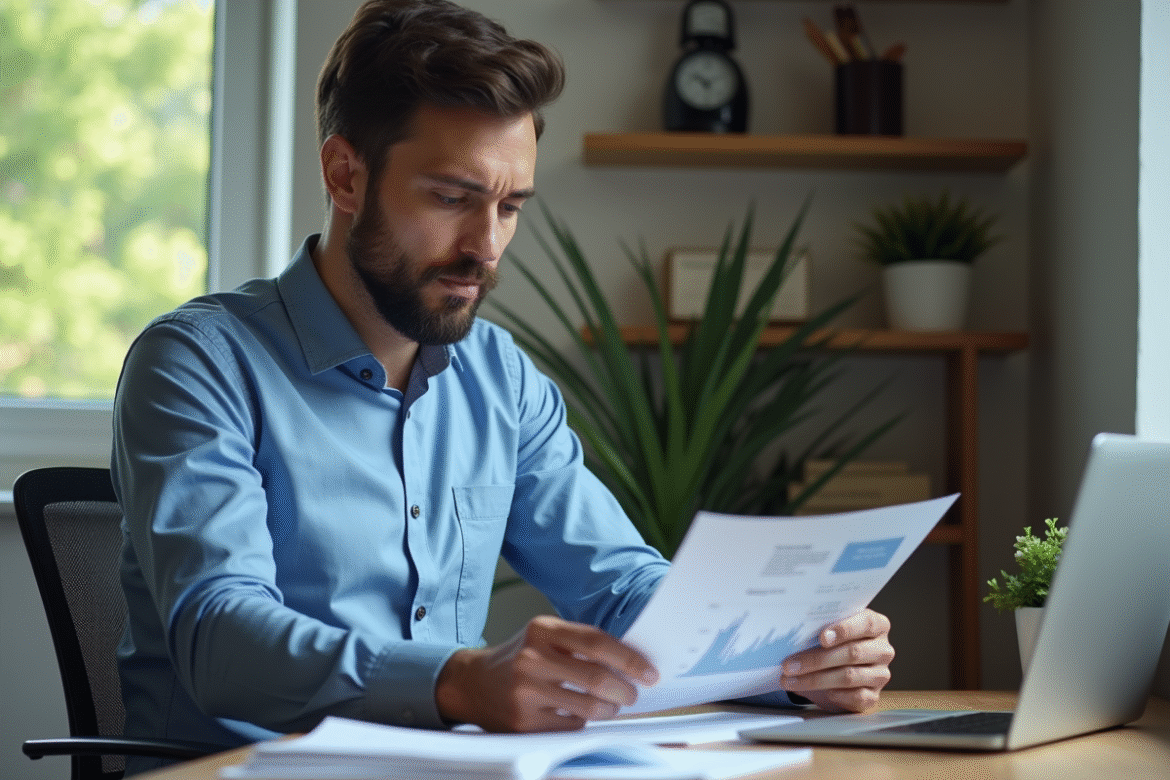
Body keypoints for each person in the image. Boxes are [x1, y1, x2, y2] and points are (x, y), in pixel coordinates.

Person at [112, 0, 894, 772]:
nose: (485, 247)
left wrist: (792, 657)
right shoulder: (197, 364)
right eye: (452, 198)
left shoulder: (501, 378)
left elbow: (620, 585)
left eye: (510, 206)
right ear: (346, 175)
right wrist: (456, 682)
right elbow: (220, 635)